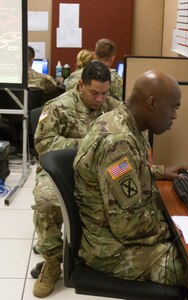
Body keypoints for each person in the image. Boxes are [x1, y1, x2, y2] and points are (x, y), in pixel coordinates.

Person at [74, 70, 188, 295]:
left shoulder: (124, 121)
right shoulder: (118, 142)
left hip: (119, 234)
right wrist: (176, 229)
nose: (175, 116)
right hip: (111, 250)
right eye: (173, 107)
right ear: (152, 103)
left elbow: (126, 172)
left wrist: (159, 171)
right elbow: (128, 227)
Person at [32, 61, 120, 298]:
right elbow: (44, 144)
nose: (100, 99)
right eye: (94, 93)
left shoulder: (115, 108)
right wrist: (88, 146)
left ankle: (107, 257)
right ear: (81, 85)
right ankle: (52, 262)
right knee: (46, 204)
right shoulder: (58, 107)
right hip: (61, 170)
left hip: (100, 172)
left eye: (105, 92)